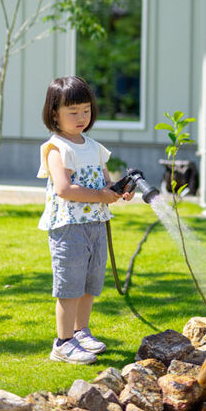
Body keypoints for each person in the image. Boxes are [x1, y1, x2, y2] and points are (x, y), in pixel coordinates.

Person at [37, 75, 132, 363]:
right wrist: (100, 195)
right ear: (55, 113)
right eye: (73, 112)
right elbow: (65, 189)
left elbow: (105, 182)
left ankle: (81, 332)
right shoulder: (57, 148)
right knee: (70, 285)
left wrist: (119, 190)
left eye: (86, 110)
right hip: (68, 227)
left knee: (90, 282)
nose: (81, 117)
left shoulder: (93, 146)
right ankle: (62, 343)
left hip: (95, 224)